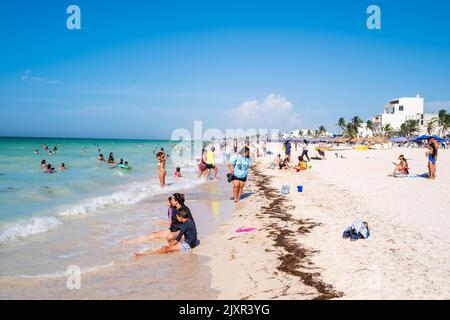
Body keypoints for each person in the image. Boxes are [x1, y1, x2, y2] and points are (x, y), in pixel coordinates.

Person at [134, 208, 198, 256]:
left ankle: (145, 254)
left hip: (188, 245)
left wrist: (169, 247)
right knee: (170, 243)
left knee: (165, 248)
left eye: (177, 217)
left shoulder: (184, 225)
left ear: (180, 217)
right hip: (193, 242)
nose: (176, 218)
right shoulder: (190, 220)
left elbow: (178, 239)